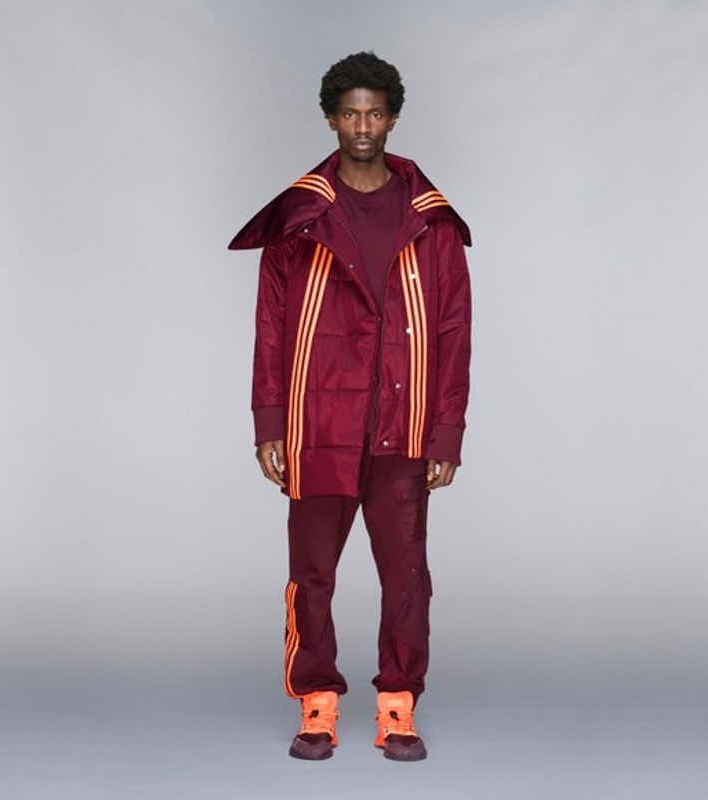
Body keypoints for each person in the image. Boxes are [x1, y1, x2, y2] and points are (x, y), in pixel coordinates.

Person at [229, 51, 471, 762]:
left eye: (375, 113)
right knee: (312, 575)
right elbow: (271, 327)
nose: (362, 126)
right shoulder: (298, 219)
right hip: (317, 427)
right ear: (331, 119)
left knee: (408, 579)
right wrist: (269, 423)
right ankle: (317, 701)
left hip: (403, 426)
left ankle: (398, 702)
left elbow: (453, 331)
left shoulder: (432, 223)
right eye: (349, 113)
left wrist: (446, 432)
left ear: (392, 119)